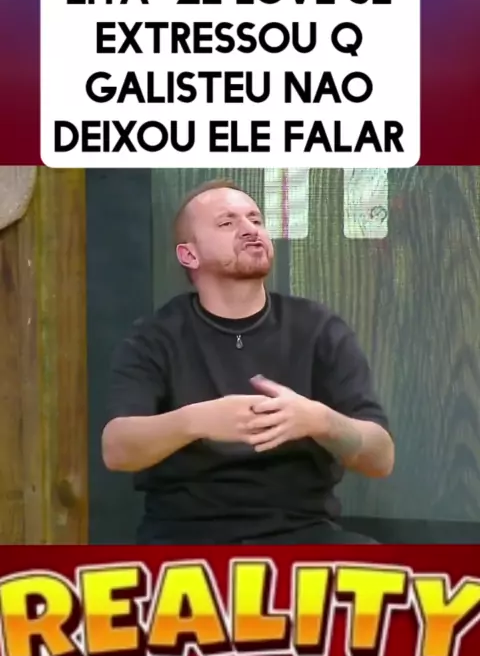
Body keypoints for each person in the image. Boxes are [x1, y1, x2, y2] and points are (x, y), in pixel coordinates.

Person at [102, 179, 394, 545]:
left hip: (304, 532)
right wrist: (198, 421)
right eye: (227, 222)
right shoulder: (154, 337)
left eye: (255, 219)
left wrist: (319, 420)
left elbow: (380, 458)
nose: (250, 229)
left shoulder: (318, 327)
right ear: (189, 255)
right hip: (184, 536)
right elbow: (117, 449)